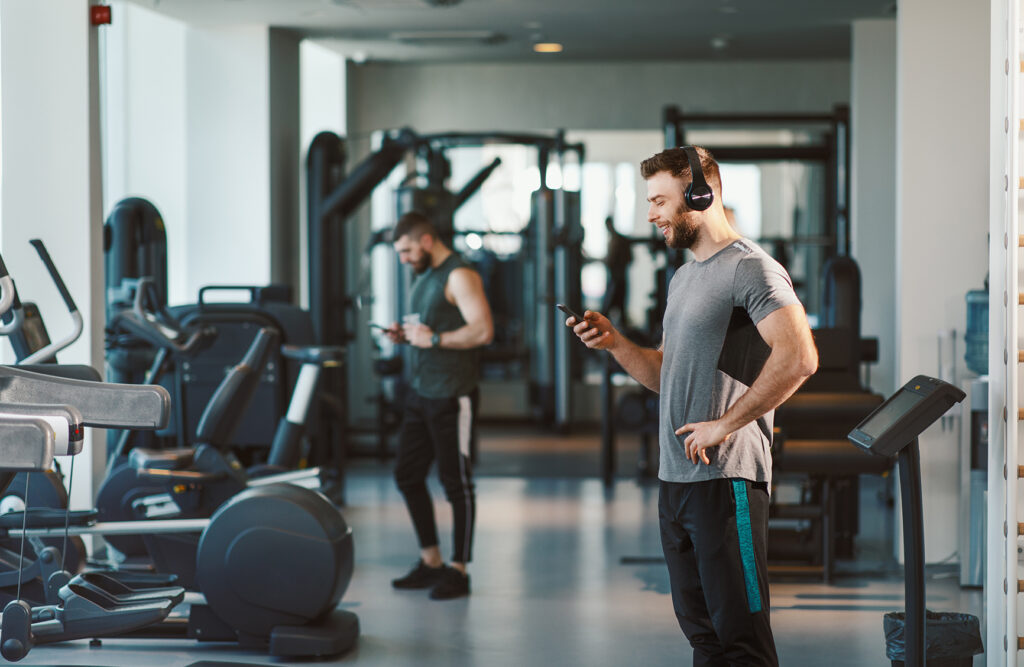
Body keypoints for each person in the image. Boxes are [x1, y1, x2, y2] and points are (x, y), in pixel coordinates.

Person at [564, 147, 817, 665]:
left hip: (727, 483)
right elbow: (666, 374)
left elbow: (800, 358)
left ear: (701, 195)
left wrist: (724, 426)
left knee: (741, 641)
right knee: (703, 636)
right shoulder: (684, 277)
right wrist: (615, 343)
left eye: (660, 201)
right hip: (676, 480)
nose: (652, 214)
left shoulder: (751, 269)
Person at [382, 211, 494, 600]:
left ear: (426, 240)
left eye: (407, 250)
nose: (404, 259)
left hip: (452, 393)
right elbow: (431, 329)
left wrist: (432, 341)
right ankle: (430, 561)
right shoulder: (424, 275)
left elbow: (482, 330)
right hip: (421, 391)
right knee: (407, 474)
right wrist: (409, 335)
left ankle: (458, 570)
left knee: (456, 483)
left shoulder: (459, 275)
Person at [602, 215, 632, 323]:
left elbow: (610, 260)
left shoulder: (616, 240)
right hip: (620, 278)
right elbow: (630, 259)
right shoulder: (620, 239)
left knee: (608, 307)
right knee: (620, 308)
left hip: (616, 279)